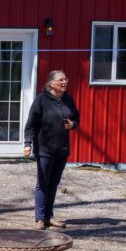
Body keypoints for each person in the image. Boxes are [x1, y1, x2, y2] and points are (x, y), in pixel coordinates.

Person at [23, 69, 79, 230]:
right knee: (43, 183)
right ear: (51, 83)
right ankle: (39, 218)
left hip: (61, 149)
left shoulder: (68, 99)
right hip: (45, 149)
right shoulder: (41, 100)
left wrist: (72, 125)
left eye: (65, 79)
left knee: (54, 183)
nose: (64, 82)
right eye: (61, 80)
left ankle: (49, 216)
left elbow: (76, 118)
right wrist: (27, 144)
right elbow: (31, 125)